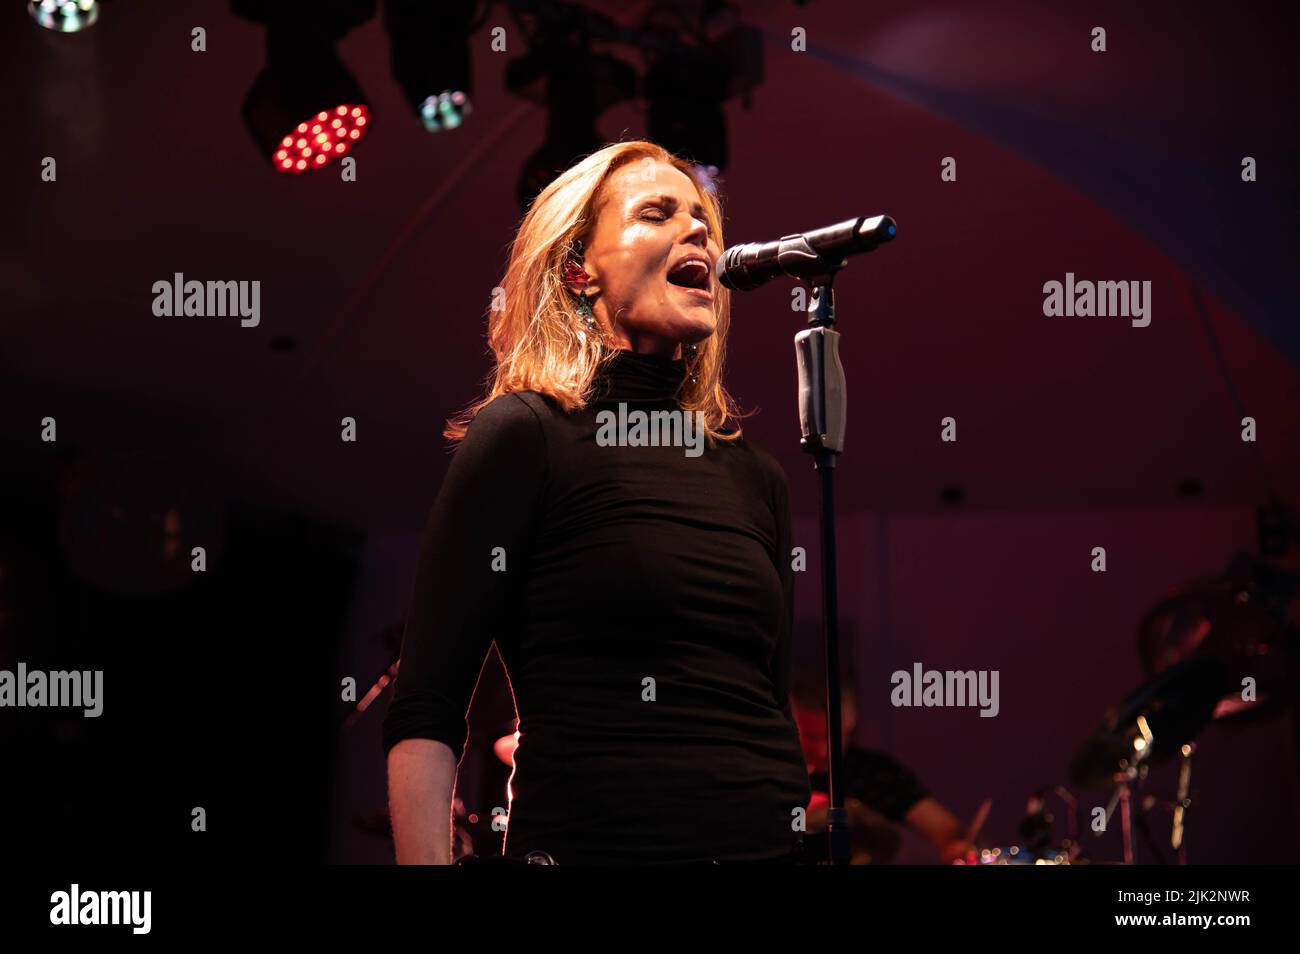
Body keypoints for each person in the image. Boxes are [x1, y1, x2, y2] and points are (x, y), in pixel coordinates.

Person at [382, 140, 811, 864]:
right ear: (580, 271)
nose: (699, 229)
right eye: (656, 212)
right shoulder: (527, 434)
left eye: (702, 217)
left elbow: (766, 705)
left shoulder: (754, 473)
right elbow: (427, 703)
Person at [789, 677, 976, 863]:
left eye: (831, 736)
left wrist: (957, 845)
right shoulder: (781, 774)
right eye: (810, 737)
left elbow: (949, 832)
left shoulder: (876, 773)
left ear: (851, 719)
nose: (823, 750)